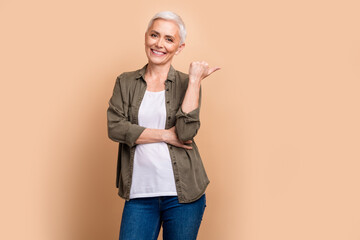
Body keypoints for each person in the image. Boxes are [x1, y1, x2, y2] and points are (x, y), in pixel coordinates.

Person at [107, 11, 220, 240]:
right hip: (139, 195)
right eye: (154, 35)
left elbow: (186, 132)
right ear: (146, 37)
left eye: (169, 39)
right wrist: (166, 135)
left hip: (183, 196)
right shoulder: (125, 81)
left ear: (179, 47)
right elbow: (115, 128)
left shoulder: (187, 83)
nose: (159, 44)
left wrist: (195, 81)